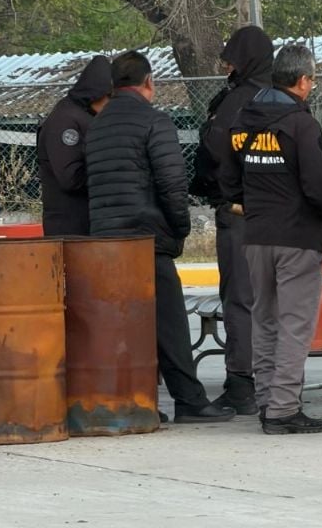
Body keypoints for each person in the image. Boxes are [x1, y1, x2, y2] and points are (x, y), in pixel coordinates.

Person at [84, 50, 234, 424]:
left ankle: (137, 401)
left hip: (106, 240)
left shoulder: (97, 126)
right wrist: (179, 227)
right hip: (146, 238)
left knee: (126, 325)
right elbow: (172, 183)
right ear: (149, 82)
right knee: (170, 323)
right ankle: (189, 400)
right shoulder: (155, 122)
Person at [219, 43, 322, 435]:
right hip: (297, 236)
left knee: (265, 321)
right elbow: (317, 186)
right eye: (313, 80)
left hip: (256, 235)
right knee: (294, 325)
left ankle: (267, 403)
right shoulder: (301, 124)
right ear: (303, 80)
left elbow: (227, 177)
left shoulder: (243, 120)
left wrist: (251, 204)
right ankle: (284, 409)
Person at [189, 25, 274, 415]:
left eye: (231, 60)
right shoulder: (284, 98)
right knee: (275, 299)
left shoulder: (236, 100)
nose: (226, 66)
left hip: (239, 211)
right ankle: (278, 382)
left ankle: (242, 384)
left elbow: (214, 149)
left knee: (240, 298)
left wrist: (210, 184)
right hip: (281, 214)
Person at [37, 55, 111, 236]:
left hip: (85, 223)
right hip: (70, 227)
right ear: (98, 93)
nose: (112, 104)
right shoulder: (65, 120)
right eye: (110, 97)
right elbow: (70, 178)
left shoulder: (82, 116)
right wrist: (110, 177)